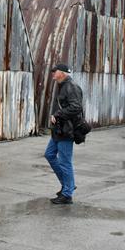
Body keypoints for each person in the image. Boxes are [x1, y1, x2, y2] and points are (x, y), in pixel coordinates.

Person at [45, 63, 83, 205]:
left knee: (65, 162)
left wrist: (59, 114)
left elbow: (76, 107)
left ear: (63, 73)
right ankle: (68, 185)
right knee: (49, 154)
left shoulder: (71, 86)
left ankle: (67, 194)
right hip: (58, 130)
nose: (53, 75)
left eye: (55, 72)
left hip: (67, 131)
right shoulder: (62, 85)